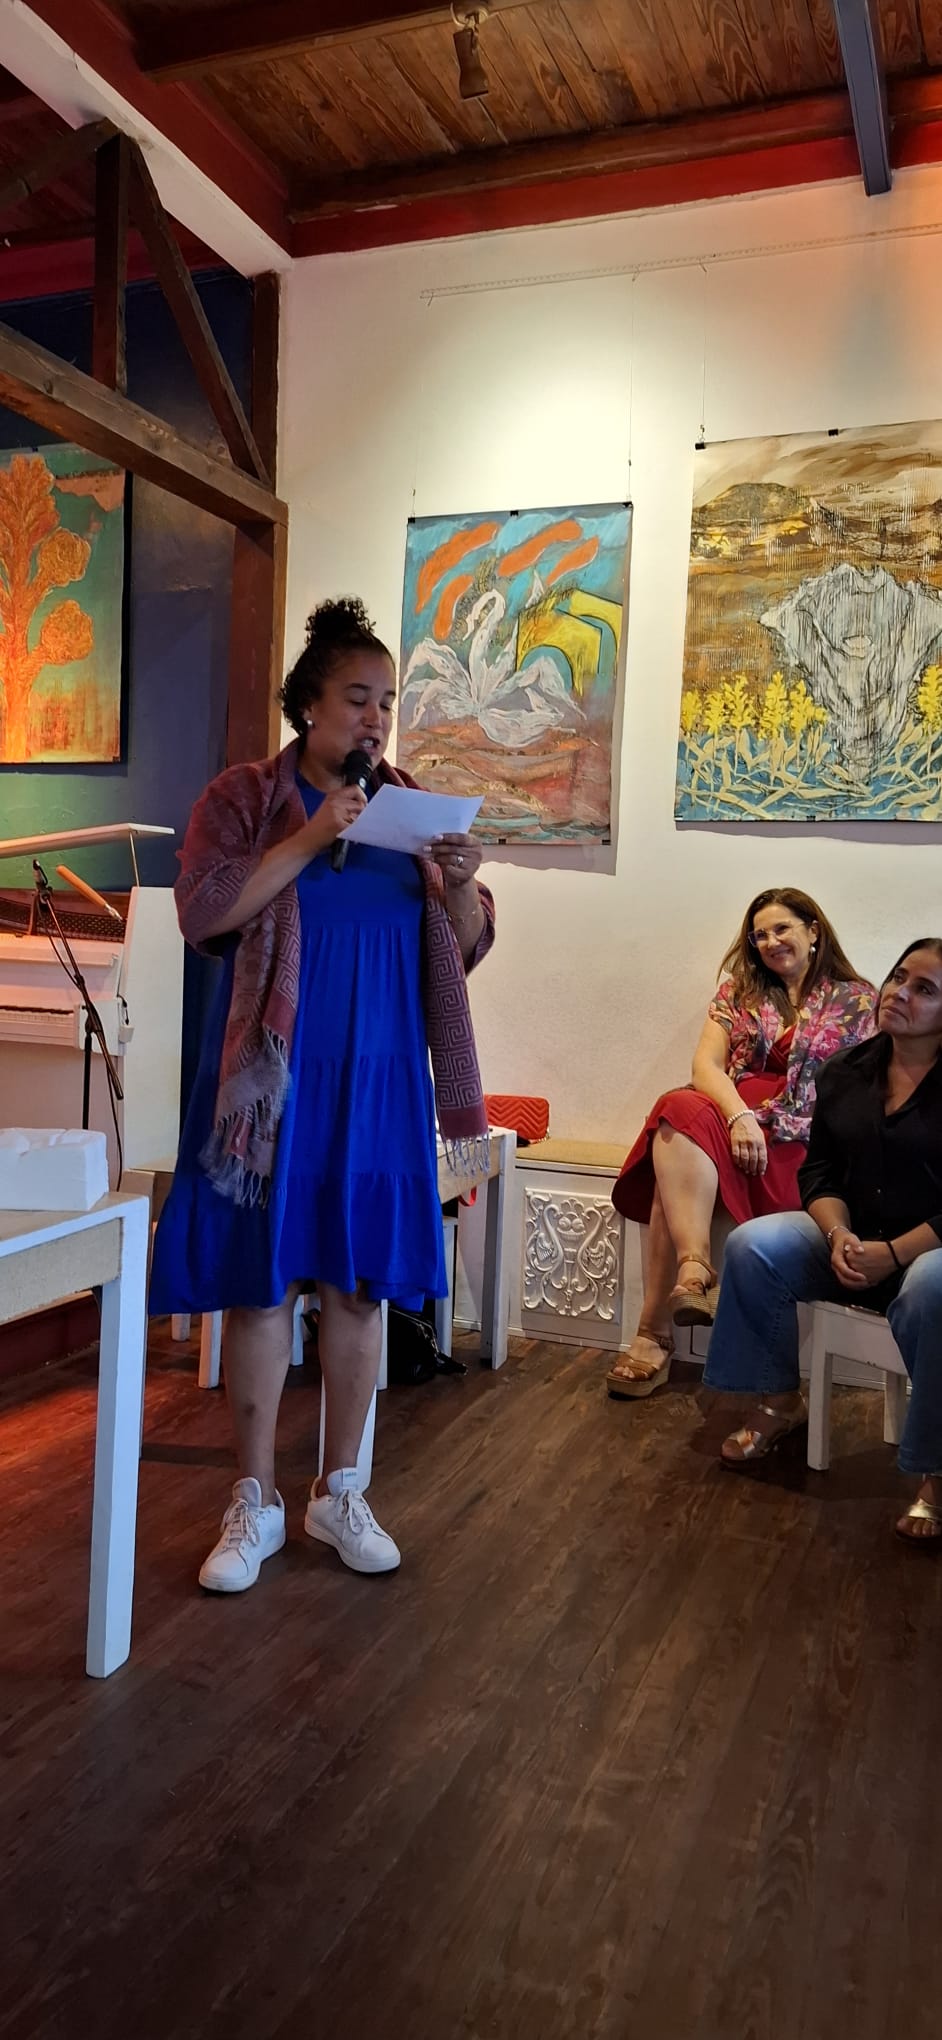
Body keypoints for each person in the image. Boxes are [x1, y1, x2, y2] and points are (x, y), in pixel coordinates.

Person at [149, 597, 495, 1592]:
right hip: (271, 1081)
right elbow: (204, 912)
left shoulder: (408, 805)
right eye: (357, 698)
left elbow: (464, 947)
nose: (375, 720)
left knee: (359, 1284)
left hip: (380, 1080)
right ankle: (254, 1500)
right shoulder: (245, 799)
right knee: (262, 1285)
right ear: (308, 704)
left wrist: (458, 883)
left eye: (386, 703)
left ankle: (342, 1490)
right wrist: (307, 839)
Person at [705, 939, 942, 1541]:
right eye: (898, 977)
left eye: (924, 989)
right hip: (855, 1234)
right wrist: (837, 1233)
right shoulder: (846, 1070)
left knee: (932, 1287)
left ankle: (936, 1470)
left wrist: (895, 1252)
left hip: (930, 1250)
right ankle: (777, 1401)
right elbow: (820, 1173)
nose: (898, 993)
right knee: (753, 1246)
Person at [607, 889, 874, 1400]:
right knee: (678, 1108)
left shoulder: (859, 1000)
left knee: (668, 1185)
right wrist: (739, 1117)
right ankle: (694, 1267)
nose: (770, 942)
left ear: (813, 930)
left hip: (806, 1140)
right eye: (759, 935)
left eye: (781, 929)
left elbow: (873, 1089)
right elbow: (706, 1066)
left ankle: (653, 1333)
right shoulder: (739, 992)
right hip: (736, 1123)